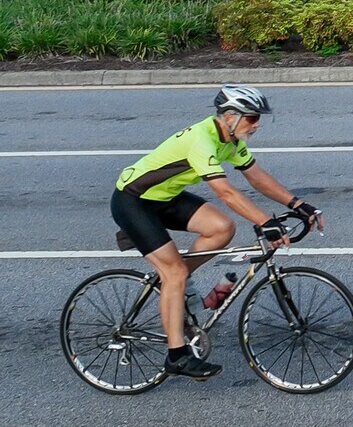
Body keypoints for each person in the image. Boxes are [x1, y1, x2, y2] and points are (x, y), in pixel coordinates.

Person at [111, 85, 320, 381]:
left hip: (164, 198)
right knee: (176, 275)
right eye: (251, 118)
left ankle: (173, 285)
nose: (257, 124)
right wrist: (265, 222)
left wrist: (298, 204)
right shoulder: (202, 140)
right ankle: (177, 356)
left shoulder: (231, 140)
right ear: (230, 116)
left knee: (221, 229)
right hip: (134, 201)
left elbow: (256, 177)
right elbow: (225, 192)